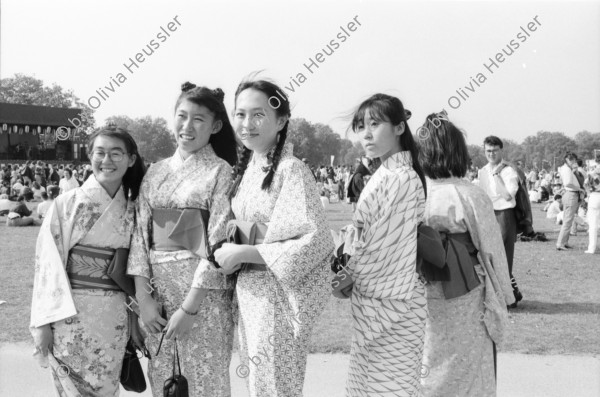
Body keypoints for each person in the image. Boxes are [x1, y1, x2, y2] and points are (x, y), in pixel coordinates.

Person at [213, 79, 333, 397]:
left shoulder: (290, 170)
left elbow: (315, 240)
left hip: (276, 297)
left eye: (258, 114)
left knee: (274, 386)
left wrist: (244, 253)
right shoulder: (248, 171)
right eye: (240, 114)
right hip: (249, 292)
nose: (246, 123)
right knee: (259, 385)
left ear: (280, 121)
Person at [127, 82, 237, 397]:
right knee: (164, 382)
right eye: (182, 116)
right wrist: (144, 301)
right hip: (158, 297)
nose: (187, 126)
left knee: (206, 382)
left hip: (204, 299)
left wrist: (190, 308)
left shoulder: (220, 172)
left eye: (198, 119)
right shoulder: (155, 172)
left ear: (215, 126)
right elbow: (139, 238)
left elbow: (217, 243)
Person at [29, 124, 146, 396]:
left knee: (105, 388)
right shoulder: (65, 204)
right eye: (100, 152)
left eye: (116, 154)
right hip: (69, 316)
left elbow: (137, 268)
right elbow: (48, 267)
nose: (107, 160)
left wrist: (134, 319)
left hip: (113, 317)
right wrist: (44, 323)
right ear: (90, 156)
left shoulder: (135, 208)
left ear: (130, 160)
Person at [332, 94, 428, 396]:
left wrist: (346, 270)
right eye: (361, 127)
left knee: (388, 388)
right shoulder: (385, 173)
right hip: (380, 296)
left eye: (375, 124)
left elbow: (384, 248)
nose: (367, 134)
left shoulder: (400, 177)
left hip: (393, 300)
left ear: (400, 128)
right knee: (370, 386)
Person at [417, 113, 515, 396]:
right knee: (469, 362)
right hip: (466, 288)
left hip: (421, 286)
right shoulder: (470, 195)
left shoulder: (414, 192)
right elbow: (492, 251)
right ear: (457, 152)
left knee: (426, 355)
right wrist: (504, 296)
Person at [478, 136, 523, 308]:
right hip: (488, 215)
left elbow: (506, 195)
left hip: (504, 215)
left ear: (501, 151)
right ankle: (503, 294)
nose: (491, 154)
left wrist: (497, 175)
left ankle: (509, 296)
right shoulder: (482, 171)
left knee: (503, 257)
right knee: (488, 256)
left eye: (495, 150)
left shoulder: (509, 171)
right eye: (488, 150)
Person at [556, 152, 584, 250]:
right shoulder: (567, 169)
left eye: (574, 160)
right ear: (568, 160)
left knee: (568, 220)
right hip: (571, 195)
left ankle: (564, 242)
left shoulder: (567, 169)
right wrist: (579, 189)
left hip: (570, 194)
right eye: (572, 160)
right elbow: (568, 183)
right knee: (567, 221)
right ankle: (560, 243)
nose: (574, 162)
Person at [586, 170, 600, 254]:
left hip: (594, 196)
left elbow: (585, 184)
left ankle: (591, 248)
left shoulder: (591, 173)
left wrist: (588, 193)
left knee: (593, 225)